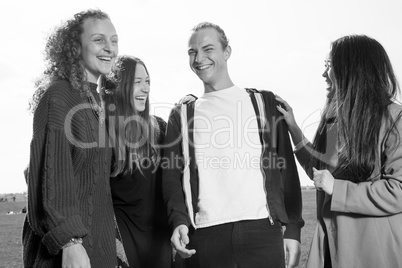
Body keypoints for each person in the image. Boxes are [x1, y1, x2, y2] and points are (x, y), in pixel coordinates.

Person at [162, 22, 304, 268]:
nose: (199, 58)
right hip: (205, 235)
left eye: (208, 49)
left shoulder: (265, 103)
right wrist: (179, 222)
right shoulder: (182, 114)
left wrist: (292, 228)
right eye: (192, 52)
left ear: (227, 52)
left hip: (262, 231)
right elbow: (172, 178)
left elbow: (286, 170)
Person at [276, 35, 402, 268]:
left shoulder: (396, 118)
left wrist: (337, 189)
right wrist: (293, 128)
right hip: (329, 248)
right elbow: (321, 170)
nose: (324, 74)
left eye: (329, 65)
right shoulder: (335, 122)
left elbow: (398, 190)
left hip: (372, 253)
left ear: (353, 68)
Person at [23, 9, 119, 267]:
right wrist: (70, 242)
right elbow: (51, 178)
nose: (109, 48)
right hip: (68, 253)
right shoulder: (59, 96)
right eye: (99, 39)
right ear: (75, 48)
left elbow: (93, 184)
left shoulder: (95, 100)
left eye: (114, 40)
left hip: (97, 249)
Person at [105, 55, 172, 268]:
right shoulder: (103, 133)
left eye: (148, 81)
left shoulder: (159, 128)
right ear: (119, 86)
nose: (145, 89)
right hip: (123, 240)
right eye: (137, 82)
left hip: (160, 240)